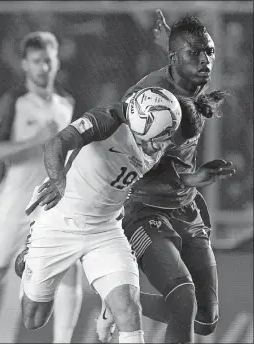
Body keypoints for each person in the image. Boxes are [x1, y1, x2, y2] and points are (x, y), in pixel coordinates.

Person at [96, 12, 235, 344]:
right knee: (182, 299)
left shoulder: (193, 75)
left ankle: (117, 303)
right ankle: (117, 298)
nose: (205, 61)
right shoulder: (148, 98)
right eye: (196, 54)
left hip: (186, 209)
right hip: (143, 210)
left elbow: (186, 51)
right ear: (175, 59)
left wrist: (174, 39)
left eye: (210, 52)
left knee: (207, 318)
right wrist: (188, 178)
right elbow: (121, 160)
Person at [17, 86, 183, 344]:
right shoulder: (107, 120)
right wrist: (59, 180)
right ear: (140, 127)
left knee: (128, 308)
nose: (166, 144)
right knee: (34, 319)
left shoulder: (159, 133)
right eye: (160, 137)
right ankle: (31, 256)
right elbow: (56, 143)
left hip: (105, 230)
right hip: (61, 220)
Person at [0, 31, 83, 344]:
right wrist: (34, 142)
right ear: (25, 64)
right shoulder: (13, 101)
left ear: (56, 62)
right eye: (37, 62)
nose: (43, 68)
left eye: (48, 61)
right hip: (16, 202)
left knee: (70, 266)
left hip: (51, 203)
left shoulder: (66, 103)